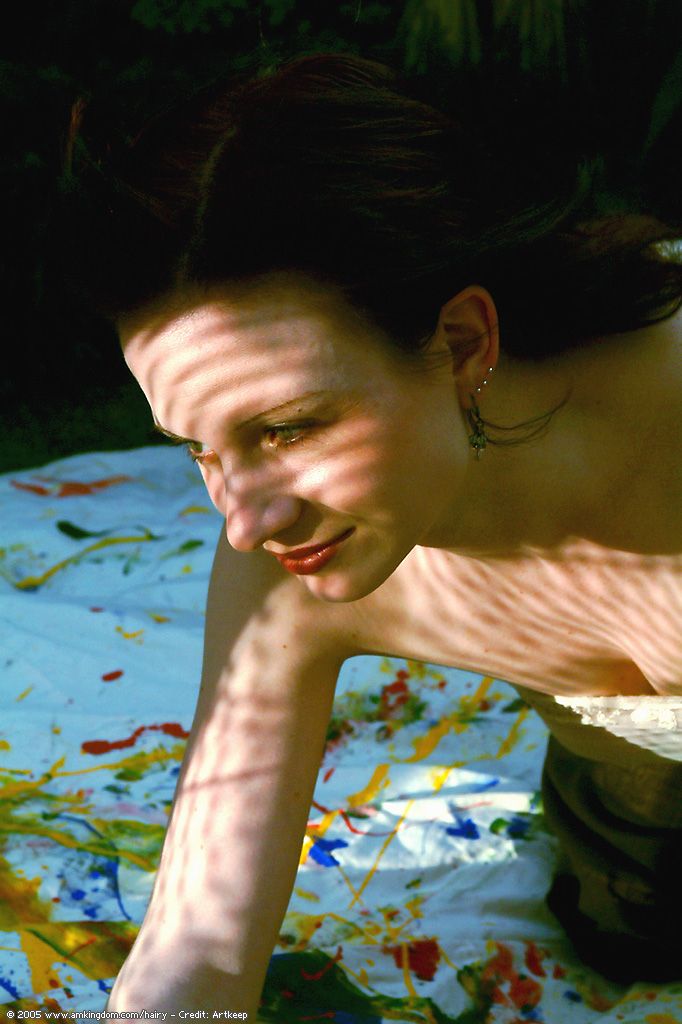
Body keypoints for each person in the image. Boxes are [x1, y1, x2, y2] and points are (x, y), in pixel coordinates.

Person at [64, 54, 681, 1013]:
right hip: (631, 824)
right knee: (624, 931)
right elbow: (194, 953)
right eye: (198, 448)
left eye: (288, 428)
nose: (245, 523)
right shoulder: (289, 577)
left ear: (464, 342)